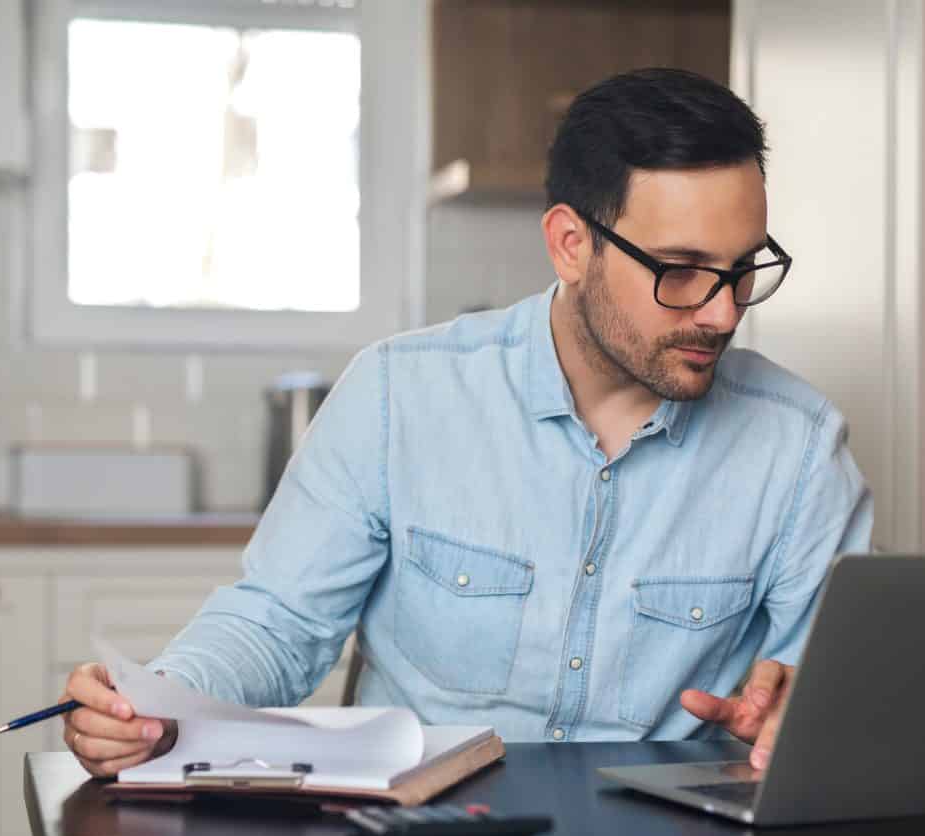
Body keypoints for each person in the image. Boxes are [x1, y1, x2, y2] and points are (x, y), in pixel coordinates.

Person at [62, 68, 872, 779]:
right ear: (570, 245)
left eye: (742, 269)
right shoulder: (398, 395)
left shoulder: (799, 452)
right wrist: (155, 707)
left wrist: (810, 720)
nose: (724, 310)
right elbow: (279, 623)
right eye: (683, 271)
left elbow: (820, 696)